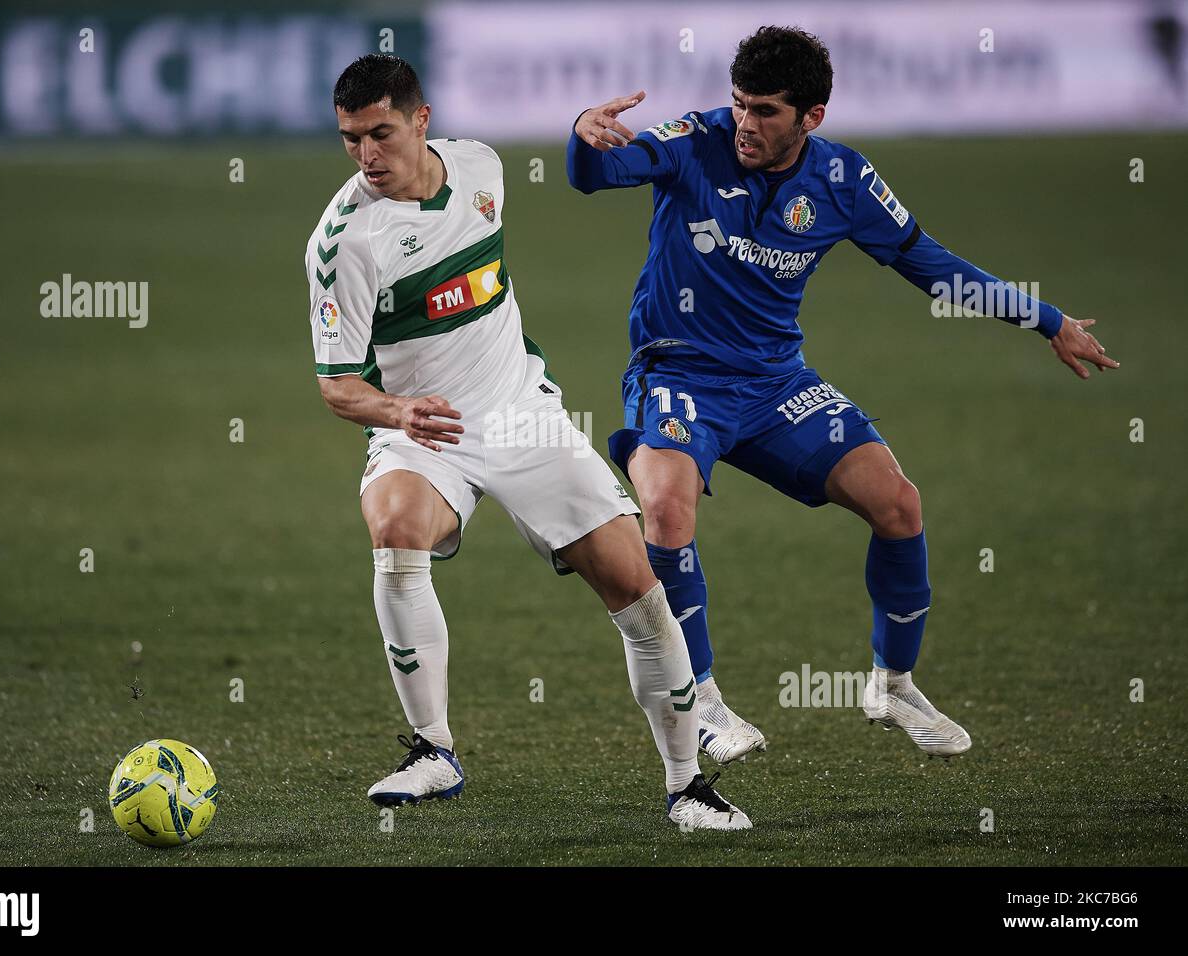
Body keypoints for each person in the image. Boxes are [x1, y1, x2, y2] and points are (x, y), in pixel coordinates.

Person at [566, 26, 1117, 760]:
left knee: (898, 503)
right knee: (665, 507)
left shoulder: (844, 182)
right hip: (677, 374)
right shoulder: (694, 140)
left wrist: (1046, 320)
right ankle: (699, 699)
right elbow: (596, 176)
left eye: (764, 111)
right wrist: (583, 136)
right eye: (738, 104)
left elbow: (925, 261)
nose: (745, 125)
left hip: (775, 383)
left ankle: (893, 683)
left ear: (812, 117)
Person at [309, 54, 751, 829]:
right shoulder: (345, 243)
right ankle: (432, 751)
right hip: (426, 426)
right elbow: (338, 386)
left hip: (519, 411)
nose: (367, 156)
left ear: (422, 118)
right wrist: (397, 413)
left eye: (380, 133)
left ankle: (687, 786)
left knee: (637, 591)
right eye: (350, 139)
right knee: (395, 528)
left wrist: (586, 134)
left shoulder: (481, 167)